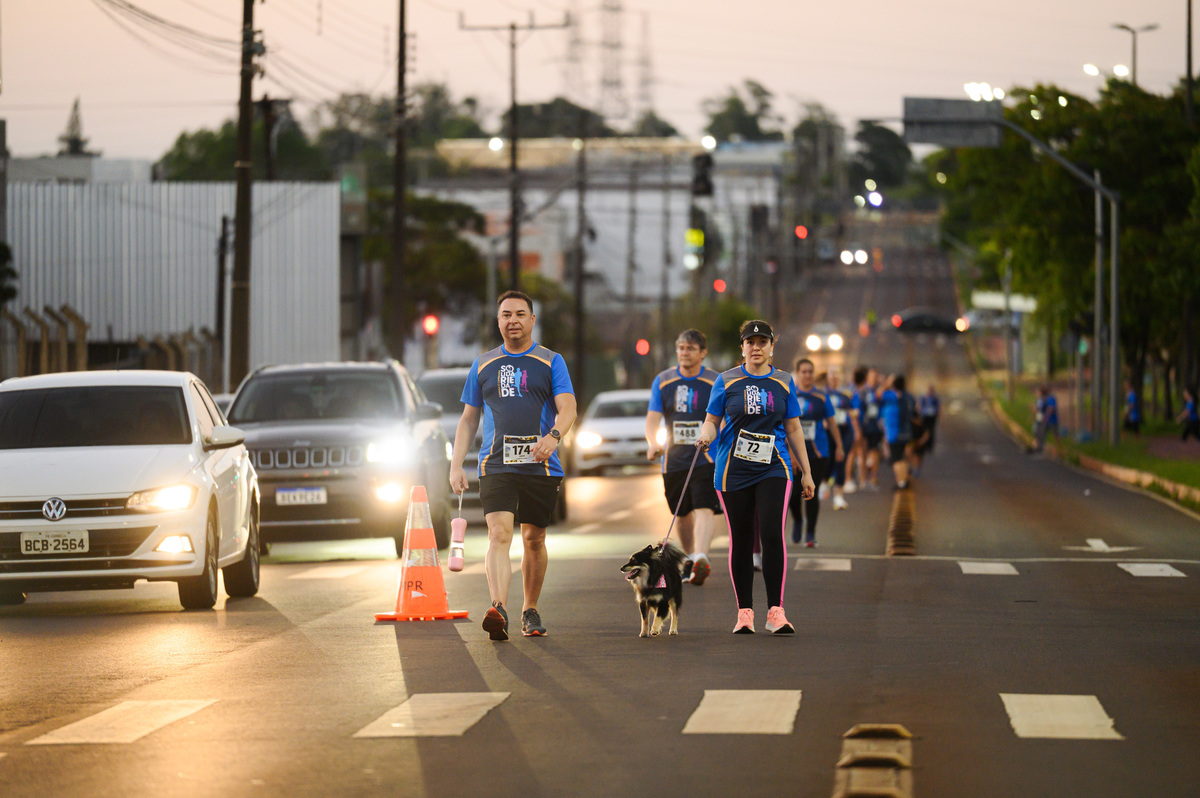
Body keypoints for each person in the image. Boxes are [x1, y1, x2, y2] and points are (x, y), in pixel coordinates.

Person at [449, 290, 578, 641]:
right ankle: (499, 608)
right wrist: (456, 465)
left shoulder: (551, 361)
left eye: (520, 314)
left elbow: (568, 408)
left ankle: (530, 609)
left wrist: (553, 436)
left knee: (534, 538)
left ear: (532, 320)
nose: (513, 320)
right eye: (506, 315)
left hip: (541, 464)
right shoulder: (483, 364)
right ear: (498, 321)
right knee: (499, 533)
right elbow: (468, 419)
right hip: (496, 464)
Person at [696, 320, 816, 635]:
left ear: (771, 347)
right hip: (733, 470)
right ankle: (745, 612)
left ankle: (776, 611)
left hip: (774, 466)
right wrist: (706, 436)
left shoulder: (784, 381)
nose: (756, 347)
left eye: (763, 342)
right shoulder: (726, 380)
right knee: (743, 539)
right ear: (743, 348)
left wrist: (807, 472)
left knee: (772, 534)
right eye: (751, 342)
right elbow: (711, 421)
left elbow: (793, 427)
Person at [646, 329, 724, 586]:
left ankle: (701, 556)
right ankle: (690, 558)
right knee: (681, 512)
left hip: (707, 457)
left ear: (703, 353)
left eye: (691, 348)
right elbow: (653, 418)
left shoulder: (715, 381)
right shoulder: (663, 381)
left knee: (704, 507)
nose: (684, 352)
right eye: (681, 347)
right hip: (674, 459)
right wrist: (652, 443)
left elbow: (725, 417)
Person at [790, 358, 843, 547]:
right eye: (803, 371)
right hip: (794, 453)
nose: (807, 375)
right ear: (797, 374)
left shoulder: (821, 396)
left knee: (811, 491)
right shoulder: (790, 395)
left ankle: (811, 533)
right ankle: (798, 520)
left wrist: (839, 445)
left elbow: (832, 423)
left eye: (810, 371)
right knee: (793, 494)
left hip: (818, 452)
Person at [825, 368, 859, 510]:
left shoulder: (847, 393)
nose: (834, 377)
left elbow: (856, 410)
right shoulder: (822, 393)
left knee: (841, 459)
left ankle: (838, 495)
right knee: (828, 460)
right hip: (828, 432)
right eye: (832, 374)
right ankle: (824, 482)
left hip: (844, 430)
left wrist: (851, 413)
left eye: (836, 374)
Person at [876, 373, 915, 490]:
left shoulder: (892, 396)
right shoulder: (908, 396)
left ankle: (901, 482)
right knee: (902, 457)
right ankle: (904, 480)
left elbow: (878, 394)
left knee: (896, 459)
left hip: (895, 433)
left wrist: (886, 383)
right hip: (906, 431)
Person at [851, 367, 884, 490]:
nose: (874, 379)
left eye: (875, 376)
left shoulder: (879, 391)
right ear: (867, 378)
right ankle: (863, 478)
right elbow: (856, 410)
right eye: (871, 376)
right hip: (864, 426)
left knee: (875, 452)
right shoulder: (862, 392)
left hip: (876, 427)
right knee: (862, 453)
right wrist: (857, 428)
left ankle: (873, 478)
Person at [1033, 385, 1059, 453]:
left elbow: (1050, 409)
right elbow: (1039, 409)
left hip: (1051, 420)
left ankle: (1059, 448)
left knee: (1055, 434)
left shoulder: (1049, 398)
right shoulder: (1043, 399)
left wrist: (1045, 417)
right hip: (1044, 420)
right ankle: (1039, 447)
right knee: (1041, 433)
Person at [918, 385, 940, 454]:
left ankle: (930, 446)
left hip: (932, 416)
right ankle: (925, 445)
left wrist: (937, 414)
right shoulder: (923, 398)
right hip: (925, 416)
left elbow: (938, 407)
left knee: (931, 431)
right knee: (924, 430)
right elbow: (920, 406)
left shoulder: (934, 398)